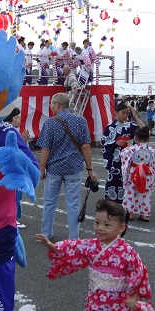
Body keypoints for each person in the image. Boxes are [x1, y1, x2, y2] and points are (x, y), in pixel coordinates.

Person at [35, 199, 155, 311]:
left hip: (119, 307)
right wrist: (53, 246)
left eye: (107, 225)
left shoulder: (128, 252)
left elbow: (139, 274)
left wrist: (134, 298)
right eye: (97, 222)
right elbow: (73, 247)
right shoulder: (91, 245)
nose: (100, 228)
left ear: (121, 228)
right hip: (96, 306)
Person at [36, 93, 98, 240]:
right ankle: (74, 237)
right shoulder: (81, 121)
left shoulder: (50, 123)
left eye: (52, 104)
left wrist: (42, 169)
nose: (51, 107)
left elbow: (46, 149)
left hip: (54, 168)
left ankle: (46, 233)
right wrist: (90, 170)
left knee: (49, 202)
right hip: (73, 168)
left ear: (58, 105)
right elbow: (85, 147)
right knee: (73, 204)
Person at [101, 103, 145, 204]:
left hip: (128, 159)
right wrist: (115, 142)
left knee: (128, 181)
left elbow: (144, 131)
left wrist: (135, 116)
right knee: (113, 180)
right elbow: (104, 141)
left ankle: (127, 203)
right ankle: (111, 202)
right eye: (123, 113)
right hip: (114, 159)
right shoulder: (110, 127)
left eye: (127, 113)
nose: (125, 115)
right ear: (116, 113)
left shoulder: (130, 126)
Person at [120, 126, 155, 222]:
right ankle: (144, 214)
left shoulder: (131, 149)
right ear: (148, 138)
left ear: (135, 138)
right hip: (146, 172)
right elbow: (152, 163)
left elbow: (123, 155)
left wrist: (127, 168)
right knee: (145, 193)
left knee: (131, 191)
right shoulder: (151, 150)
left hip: (134, 172)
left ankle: (129, 213)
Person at [5, 107, 30, 230]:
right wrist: (23, 142)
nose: (19, 120)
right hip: (13, 170)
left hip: (10, 170)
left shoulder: (9, 132)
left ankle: (11, 219)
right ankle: (13, 219)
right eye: (16, 117)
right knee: (15, 195)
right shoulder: (11, 133)